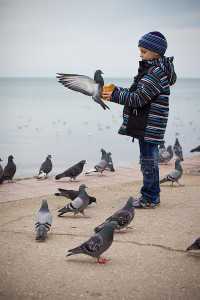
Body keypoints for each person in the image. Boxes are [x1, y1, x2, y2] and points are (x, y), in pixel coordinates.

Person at [102, 31, 177, 208]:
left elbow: (138, 99)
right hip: (148, 123)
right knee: (148, 160)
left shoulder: (155, 73)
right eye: (140, 51)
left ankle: (150, 197)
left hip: (149, 124)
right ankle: (152, 195)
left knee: (148, 161)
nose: (140, 54)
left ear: (156, 53)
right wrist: (117, 90)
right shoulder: (153, 70)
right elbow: (137, 92)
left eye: (143, 51)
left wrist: (114, 95)